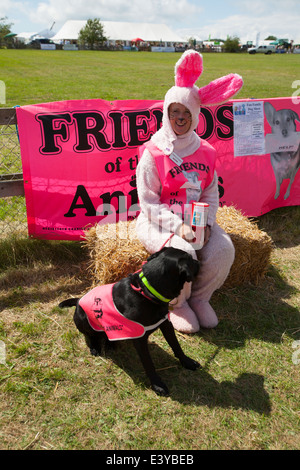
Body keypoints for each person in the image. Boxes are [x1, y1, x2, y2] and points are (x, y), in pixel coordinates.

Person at [136, 50, 243, 333]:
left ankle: (199, 298)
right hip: (157, 222)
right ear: (166, 112)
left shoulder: (205, 150)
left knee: (223, 249)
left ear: (195, 115)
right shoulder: (153, 151)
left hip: (195, 221)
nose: (180, 118)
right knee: (183, 252)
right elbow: (147, 203)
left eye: (186, 112)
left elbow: (210, 192)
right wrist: (179, 227)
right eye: (175, 111)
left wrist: (206, 224)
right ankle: (178, 304)